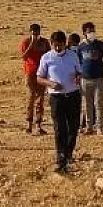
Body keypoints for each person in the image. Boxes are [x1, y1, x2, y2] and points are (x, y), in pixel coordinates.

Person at [36, 30, 83, 173]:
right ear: (51, 44)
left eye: (60, 45)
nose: (58, 48)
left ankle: (68, 152)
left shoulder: (73, 56)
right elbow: (39, 78)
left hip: (73, 95)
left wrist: (78, 77)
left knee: (73, 127)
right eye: (55, 45)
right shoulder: (46, 58)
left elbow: (80, 72)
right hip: (56, 98)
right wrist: (50, 84)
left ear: (65, 44)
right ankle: (60, 157)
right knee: (59, 128)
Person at [78, 21, 103, 135]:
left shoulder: (100, 45)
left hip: (99, 78)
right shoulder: (81, 47)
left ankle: (100, 127)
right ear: (84, 33)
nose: (92, 33)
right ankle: (89, 127)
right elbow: (78, 64)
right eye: (89, 31)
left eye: (93, 31)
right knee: (87, 104)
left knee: (98, 103)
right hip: (85, 79)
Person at [19, 23, 50, 134]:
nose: (35, 35)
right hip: (30, 73)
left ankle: (38, 124)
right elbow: (23, 57)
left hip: (41, 74)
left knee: (40, 99)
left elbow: (49, 56)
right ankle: (29, 123)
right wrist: (31, 45)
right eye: (33, 33)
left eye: (37, 33)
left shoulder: (44, 42)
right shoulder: (26, 42)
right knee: (31, 98)